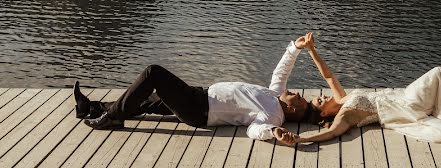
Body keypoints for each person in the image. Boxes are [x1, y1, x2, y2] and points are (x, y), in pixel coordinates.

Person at [274, 33, 441, 152]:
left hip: (402, 95)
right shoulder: (346, 116)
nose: (322, 96)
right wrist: (300, 140)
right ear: (323, 114)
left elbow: (328, 76)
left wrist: (310, 50)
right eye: (319, 101)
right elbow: (329, 134)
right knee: (439, 72)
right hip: (406, 106)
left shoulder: (342, 100)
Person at [73, 34, 315, 144]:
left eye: (301, 98)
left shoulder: (274, 115)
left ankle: (112, 118)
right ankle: (91, 107)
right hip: (200, 95)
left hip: (198, 109)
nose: (298, 93)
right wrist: (295, 47)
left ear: (294, 110)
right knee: (147, 101)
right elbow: (281, 72)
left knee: (153, 73)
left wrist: (273, 132)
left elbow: (255, 129)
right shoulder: (275, 94)